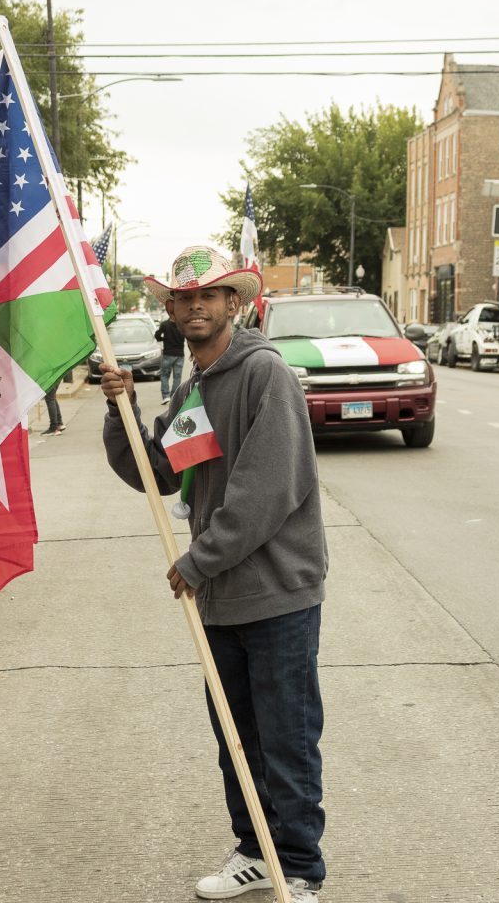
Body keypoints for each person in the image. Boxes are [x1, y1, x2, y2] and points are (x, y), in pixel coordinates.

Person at [99, 245, 328, 903]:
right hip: (222, 597)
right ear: (170, 311)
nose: (194, 305)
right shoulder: (195, 384)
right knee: (237, 737)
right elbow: (157, 471)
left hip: (278, 592)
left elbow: (265, 490)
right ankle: (255, 852)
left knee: (285, 736)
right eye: (182, 297)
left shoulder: (263, 376)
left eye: (210, 295)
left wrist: (197, 560)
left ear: (236, 304)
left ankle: (301, 867)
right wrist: (120, 409)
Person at [154, 313, 186, 404]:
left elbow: (157, 336)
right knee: (177, 377)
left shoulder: (164, 324)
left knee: (164, 375)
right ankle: (174, 397)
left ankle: (166, 396)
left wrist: (164, 339)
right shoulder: (182, 325)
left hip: (168, 354)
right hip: (179, 354)